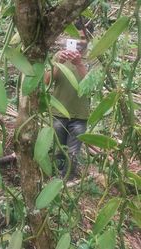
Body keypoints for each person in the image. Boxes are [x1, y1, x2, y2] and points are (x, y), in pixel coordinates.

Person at [44, 19, 94, 180]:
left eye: (83, 38)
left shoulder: (94, 59)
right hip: (58, 111)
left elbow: (92, 87)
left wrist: (79, 64)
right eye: (76, 37)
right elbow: (47, 81)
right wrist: (58, 63)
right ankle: (56, 180)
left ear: (89, 38)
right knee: (59, 149)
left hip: (80, 115)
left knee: (73, 153)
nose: (79, 42)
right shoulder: (59, 56)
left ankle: (68, 180)